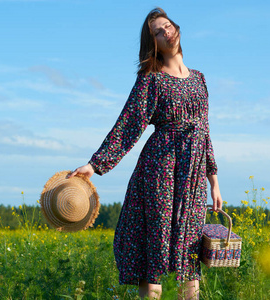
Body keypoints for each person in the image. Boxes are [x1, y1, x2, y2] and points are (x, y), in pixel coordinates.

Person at [67, 7, 222, 300]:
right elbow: (128, 124)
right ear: (153, 43)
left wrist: (213, 180)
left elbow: (205, 131)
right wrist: (95, 164)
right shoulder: (151, 78)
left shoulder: (199, 78)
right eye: (158, 32)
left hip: (193, 178)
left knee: (189, 253)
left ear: (177, 28)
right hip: (160, 170)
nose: (166, 32)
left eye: (168, 26)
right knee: (155, 249)